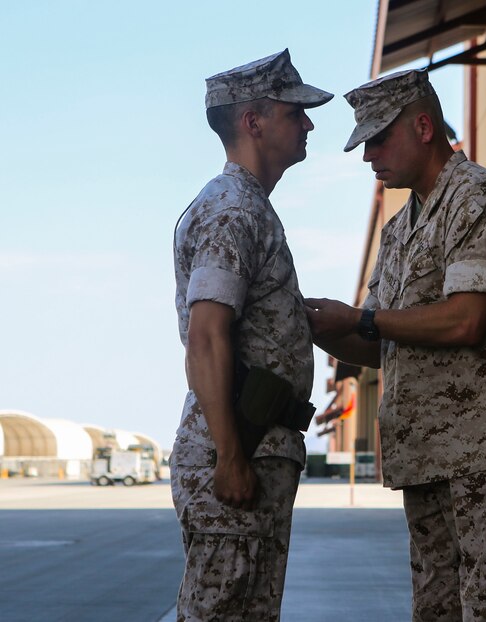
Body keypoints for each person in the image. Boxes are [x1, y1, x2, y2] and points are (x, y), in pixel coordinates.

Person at [305, 69, 486, 621]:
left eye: (379, 138)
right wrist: (318, 327)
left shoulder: (478, 198)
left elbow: (467, 319)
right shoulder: (400, 230)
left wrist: (362, 318)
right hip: (431, 465)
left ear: (423, 126)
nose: (367, 155)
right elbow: (383, 344)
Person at [170, 50, 332, 621]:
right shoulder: (232, 209)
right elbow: (207, 337)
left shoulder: (249, 208)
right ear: (253, 122)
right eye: (295, 113)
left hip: (256, 446)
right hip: (237, 447)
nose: (308, 123)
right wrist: (232, 457)